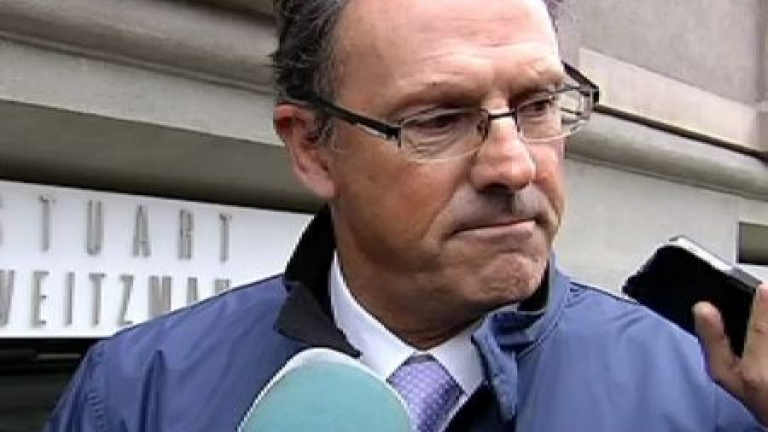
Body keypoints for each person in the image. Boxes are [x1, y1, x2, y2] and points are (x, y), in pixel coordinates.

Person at [45, 0, 768, 431]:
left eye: (538, 105)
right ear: (312, 148)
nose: (515, 165)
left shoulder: (710, 393)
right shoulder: (137, 394)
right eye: (437, 120)